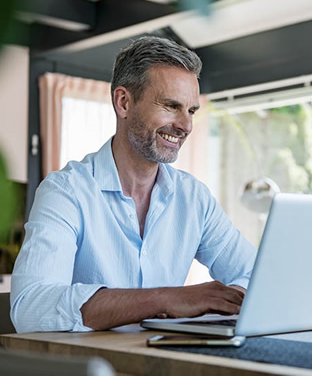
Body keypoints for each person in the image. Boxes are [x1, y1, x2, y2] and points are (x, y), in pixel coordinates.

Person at [11, 36, 256, 333]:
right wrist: (165, 299)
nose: (186, 125)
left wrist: (212, 306)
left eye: (191, 111)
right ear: (124, 102)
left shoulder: (194, 199)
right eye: (170, 106)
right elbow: (30, 307)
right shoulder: (65, 192)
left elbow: (255, 275)